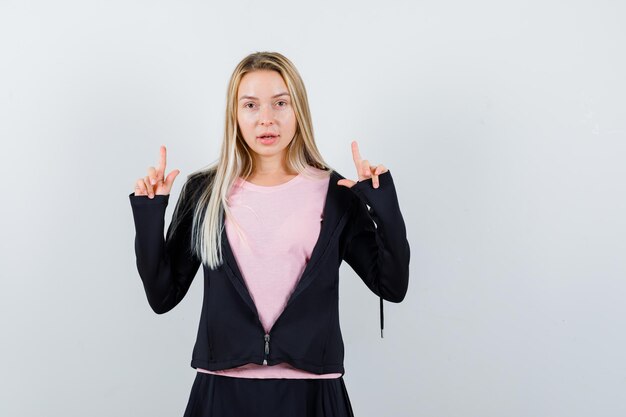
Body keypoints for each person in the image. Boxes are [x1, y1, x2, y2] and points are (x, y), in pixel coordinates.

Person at [129, 51, 410, 416]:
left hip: (314, 396)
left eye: (280, 103)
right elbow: (162, 296)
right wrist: (150, 212)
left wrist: (382, 205)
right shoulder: (204, 192)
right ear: (235, 115)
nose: (266, 119)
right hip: (222, 393)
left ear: (299, 111)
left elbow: (392, 286)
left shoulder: (337, 193)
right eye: (250, 105)